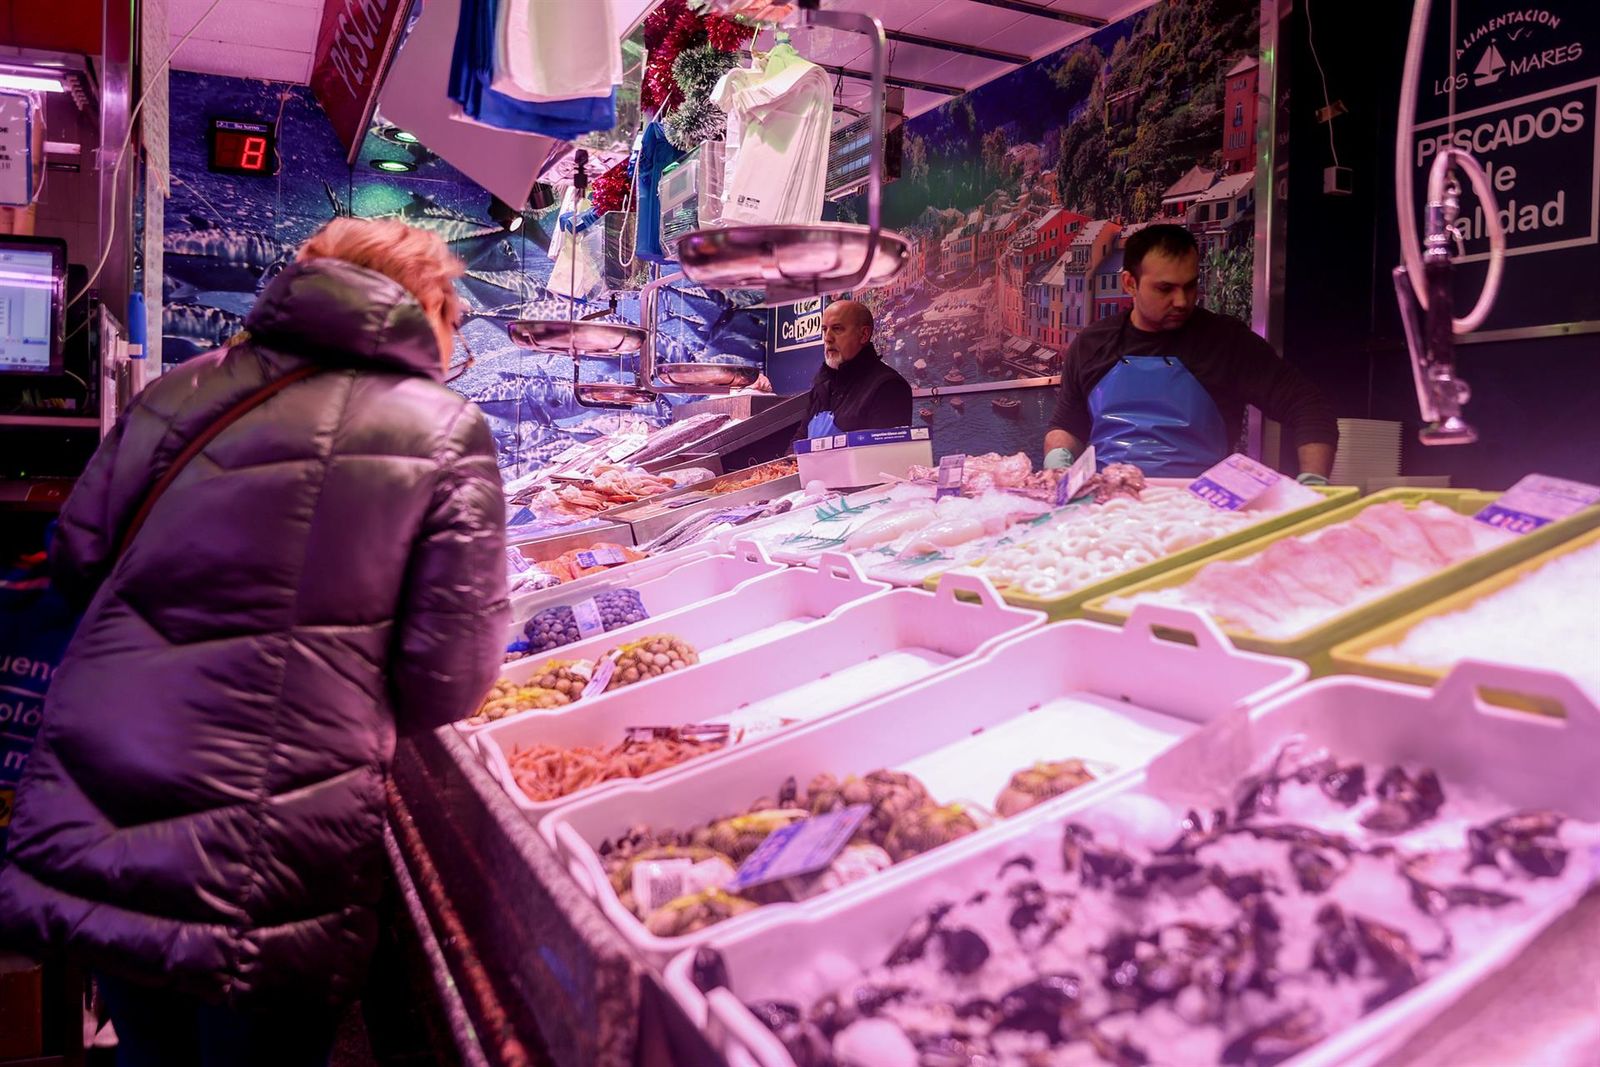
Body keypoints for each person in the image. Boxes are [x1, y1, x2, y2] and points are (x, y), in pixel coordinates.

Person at [0, 218, 509, 1066]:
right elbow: (448, 677)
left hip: (108, 795)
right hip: (268, 845)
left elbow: (76, 557)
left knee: (150, 1051)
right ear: (432, 306)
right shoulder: (442, 428)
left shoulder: (181, 389)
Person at [1044, 224, 1337, 480]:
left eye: (1190, 286)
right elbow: (1067, 425)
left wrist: (1313, 483)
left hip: (1202, 507)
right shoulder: (1092, 344)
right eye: (1165, 289)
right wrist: (1057, 465)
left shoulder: (1227, 342)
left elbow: (1307, 406)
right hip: (1108, 503)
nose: (1182, 301)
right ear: (1130, 284)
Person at [795, 299, 913, 440]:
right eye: (824, 329)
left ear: (863, 335)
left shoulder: (889, 387)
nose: (827, 338)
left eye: (837, 329)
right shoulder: (822, 385)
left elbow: (884, 455)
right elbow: (798, 441)